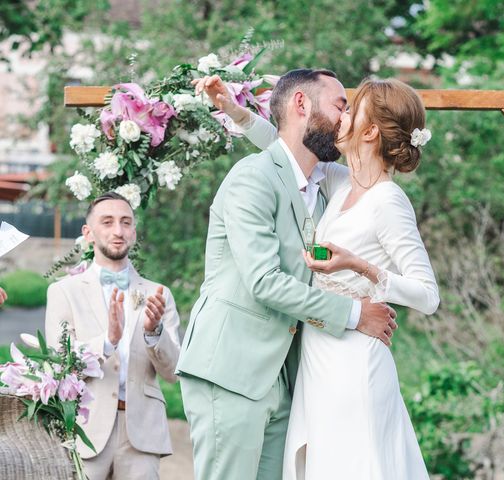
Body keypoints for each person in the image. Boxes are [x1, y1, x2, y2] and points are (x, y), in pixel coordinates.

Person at [200, 75, 440, 479]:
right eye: (341, 106)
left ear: (369, 131)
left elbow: (428, 295)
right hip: (315, 362)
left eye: (350, 109)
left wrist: (360, 267)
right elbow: (286, 150)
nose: (342, 116)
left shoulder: (388, 199)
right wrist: (238, 113)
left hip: (353, 362)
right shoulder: (339, 180)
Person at [45, 192, 181, 480]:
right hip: (84, 428)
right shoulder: (63, 292)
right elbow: (59, 365)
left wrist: (154, 332)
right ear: (88, 233)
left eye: (125, 222)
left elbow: (173, 372)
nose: (118, 231)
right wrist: (108, 341)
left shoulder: (158, 294)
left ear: (133, 231)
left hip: (142, 433)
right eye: (107, 222)